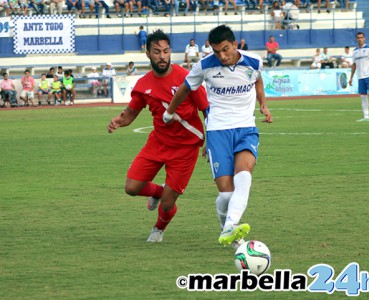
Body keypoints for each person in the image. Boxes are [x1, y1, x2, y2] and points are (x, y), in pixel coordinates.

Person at [163, 25, 272, 248]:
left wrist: (263, 103)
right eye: (216, 51)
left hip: (245, 128)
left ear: (235, 44)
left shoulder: (253, 61)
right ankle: (229, 233)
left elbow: (257, 79)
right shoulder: (204, 66)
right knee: (225, 195)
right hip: (217, 132)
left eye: (225, 50)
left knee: (244, 175)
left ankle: (231, 225)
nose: (222, 56)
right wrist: (169, 112)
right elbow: (185, 88)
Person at [107, 29, 209, 243]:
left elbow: (206, 109)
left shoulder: (187, 78)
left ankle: (158, 229)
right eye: (156, 52)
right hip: (158, 142)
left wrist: (212, 141)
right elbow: (131, 113)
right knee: (131, 188)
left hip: (186, 147)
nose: (162, 56)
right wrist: (119, 120)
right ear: (148, 54)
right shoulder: (143, 85)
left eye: (166, 51)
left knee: (167, 202)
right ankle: (158, 191)